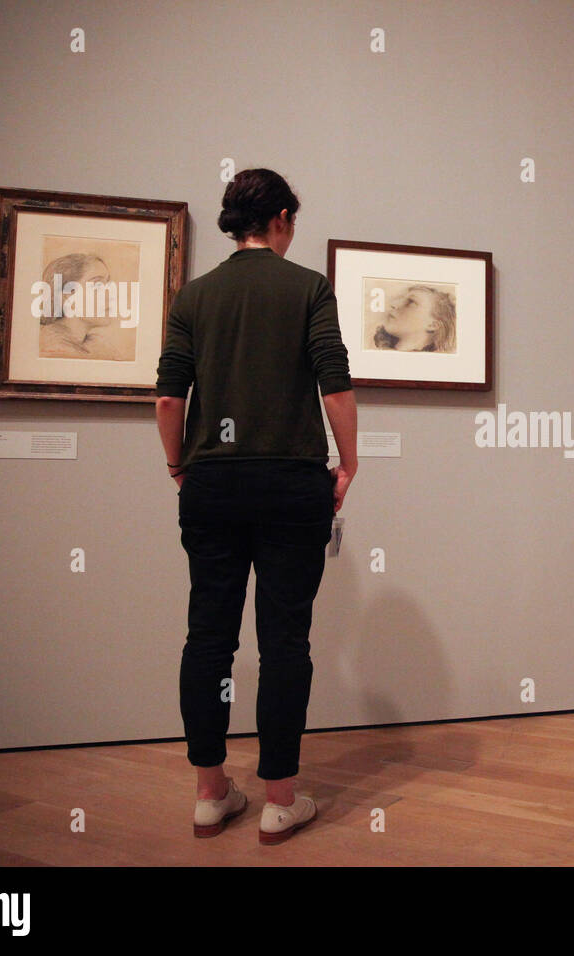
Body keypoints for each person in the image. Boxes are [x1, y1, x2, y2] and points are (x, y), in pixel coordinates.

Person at [154, 168, 358, 845]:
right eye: (291, 220)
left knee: (208, 636)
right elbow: (335, 385)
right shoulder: (307, 288)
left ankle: (210, 796)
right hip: (291, 483)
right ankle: (280, 801)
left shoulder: (194, 297)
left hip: (211, 483)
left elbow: (167, 400)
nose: (292, 231)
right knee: (285, 640)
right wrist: (349, 462)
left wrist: (179, 464)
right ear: (277, 219)